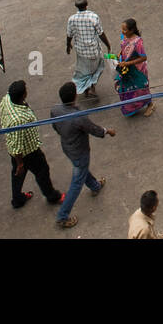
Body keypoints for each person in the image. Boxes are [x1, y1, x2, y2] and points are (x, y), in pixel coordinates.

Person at [50, 82, 114, 229]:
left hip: (67, 147)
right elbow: (94, 129)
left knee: (81, 170)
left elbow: (55, 126)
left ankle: (95, 185)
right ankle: (62, 216)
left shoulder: (55, 109)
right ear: (74, 96)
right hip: (80, 151)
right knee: (76, 182)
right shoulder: (78, 117)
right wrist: (108, 131)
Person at [0, 80, 64, 210]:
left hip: (14, 149)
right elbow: (18, 146)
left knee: (18, 175)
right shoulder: (19, 119)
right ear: (22, 96)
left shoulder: (7, 99)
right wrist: (20, 163)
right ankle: (52, 196)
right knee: (42, 171)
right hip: (28, 151)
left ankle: (17, 199)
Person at [66, 0, 111, 100]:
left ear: (76, 6)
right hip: (93, 51)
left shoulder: (71, 19)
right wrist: (108, 45)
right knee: (97, 68)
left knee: (84, 70)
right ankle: (91, 87)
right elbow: (101, 33)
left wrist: (68, 45)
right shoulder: (93, 17)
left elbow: (69, 35)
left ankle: (86, 88)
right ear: (87, 4)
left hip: (81, 51)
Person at [112, 18, 155, 117]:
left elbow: (143, 57)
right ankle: (133, 105)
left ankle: (150, 104)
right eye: (122, 29)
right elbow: (124, 47)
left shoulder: (138, 42)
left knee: (141, 88)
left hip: (137, 70)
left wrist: (128, 63)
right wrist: (119, 54)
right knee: (128, 88)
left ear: (131, 30)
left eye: (125, 30)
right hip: (126, 68)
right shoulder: (125, 36)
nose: (122, 32)